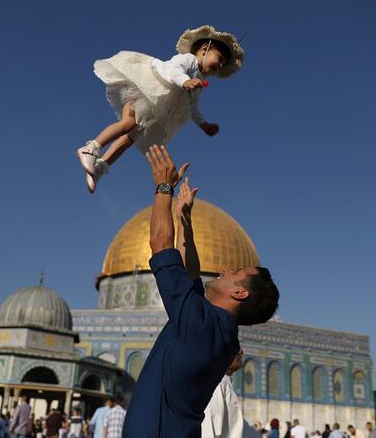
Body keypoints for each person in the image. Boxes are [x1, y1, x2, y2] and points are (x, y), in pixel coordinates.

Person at [121, 145, 280, 437]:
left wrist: (163, 186)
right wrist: (185, 221)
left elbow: (159, 243)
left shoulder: (199, 326)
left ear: (240, 293)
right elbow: (189, 272)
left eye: (234, 273)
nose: (223, 270)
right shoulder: (219, 333)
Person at [75, 25, 245, 193]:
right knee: (128, 123)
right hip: (146, 91)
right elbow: (173, 70)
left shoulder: (198, 82)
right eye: (220, 58)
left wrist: (204, 125)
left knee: (130, 138)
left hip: (156, 109)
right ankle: (91, 148)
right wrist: (185, 81)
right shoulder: (189, 60)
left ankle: (100, 167)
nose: (221, 66)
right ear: (204, 49)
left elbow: (192, 106)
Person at [202, 348, 260, 438]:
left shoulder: (224, 384)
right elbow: (208, 431)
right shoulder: (216, 386)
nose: (241, 351)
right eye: (234, 346)